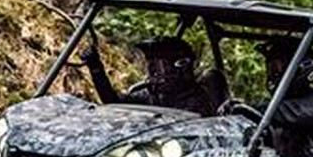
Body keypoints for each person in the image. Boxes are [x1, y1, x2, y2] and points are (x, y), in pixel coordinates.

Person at [85, 36, 217, 116]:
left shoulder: (197, 101)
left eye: (159, 65)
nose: (152, 71)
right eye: (150, 64)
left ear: (181, 66)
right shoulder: (149, 94)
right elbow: (112, 101)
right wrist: (96, 68)